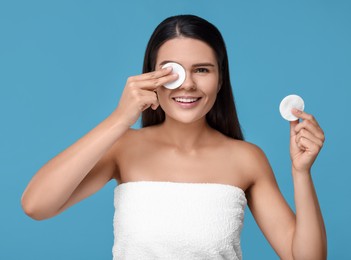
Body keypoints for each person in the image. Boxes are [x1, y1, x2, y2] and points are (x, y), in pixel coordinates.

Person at [21, 14, 327, 259]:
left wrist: (301, 173)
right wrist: (118, 119)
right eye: (173, 72)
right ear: (151, 76)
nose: (188, 85)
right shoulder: (124, 148)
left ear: (220, 80)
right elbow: (36, 205)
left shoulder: (246, 159)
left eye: (202, 70)